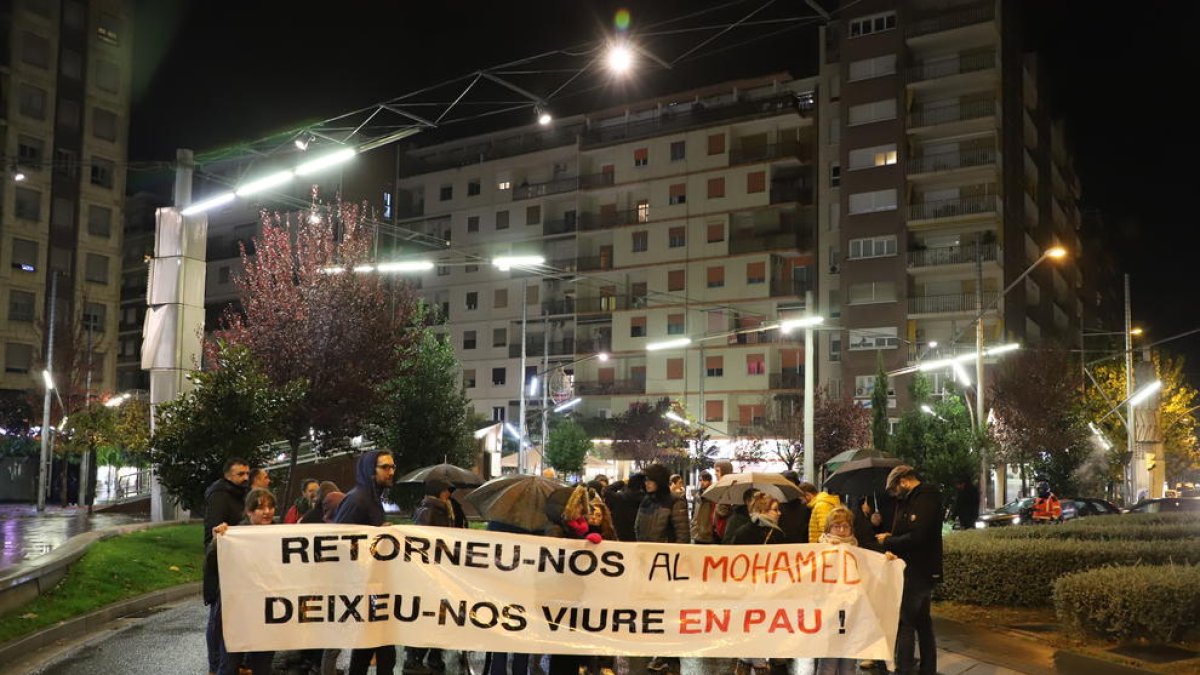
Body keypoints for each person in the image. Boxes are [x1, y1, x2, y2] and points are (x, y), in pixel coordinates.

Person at [335, 450, 399, 675]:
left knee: (376, 649)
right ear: (371, 470)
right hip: (362, 587)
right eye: (385, 467)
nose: (391, 472)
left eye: (393, 466)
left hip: (373, 585)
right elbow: (339, 542)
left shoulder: (371, 498)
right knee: (378, 650)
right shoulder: (357, 500)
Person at [877, 465, 942, 675]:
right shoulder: (915, 499)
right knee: (922, 621)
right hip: (919, 569)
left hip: (917, 570)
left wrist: (889, 541)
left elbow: (918, 536)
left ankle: (904, 668)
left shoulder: (924, 499)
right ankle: (927, 668)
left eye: (895, 489)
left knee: (906, 621)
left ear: (903, 481)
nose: (895, 495)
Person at [206, 487, 277, 675]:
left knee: (262, 666)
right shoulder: (234, 535)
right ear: (248, 511)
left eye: (271, 507)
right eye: (260, 508)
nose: (267, 512)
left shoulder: (281, 534)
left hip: (267, 612)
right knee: (229, 664)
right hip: (238, 611)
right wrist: (217, 542)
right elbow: (212, 565)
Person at [816, 507, 882, 675]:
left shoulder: (857, 550)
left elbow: (871, 571)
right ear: (828, 528)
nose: (841, 530)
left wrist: (887, 562)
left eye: (845, 526)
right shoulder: (819, 549)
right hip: (829, 613)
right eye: (836, 526)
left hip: (852, 612)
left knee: (849, 664)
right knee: (828, 664)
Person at [636, 464, 688, 673]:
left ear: (659, 480)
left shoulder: (675, 502)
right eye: (645, 479)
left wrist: (675, 563)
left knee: (667, 610)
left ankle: (666, 654)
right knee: (652, 608)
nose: (646, 483)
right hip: (648, 564)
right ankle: (657, 649)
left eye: (650, 479)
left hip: (666, 566)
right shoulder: (646, 501)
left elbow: (683, 536)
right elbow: (638, 529)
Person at [405, 479, 457, 673]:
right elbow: (423, 542)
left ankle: (433, 656)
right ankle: (414, 659)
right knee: (427, 616)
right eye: (446, 491)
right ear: (438, 492)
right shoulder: (429, 512)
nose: (448, 494)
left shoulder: (443, 510)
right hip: (430, 574)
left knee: (439, 616)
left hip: (440, 573)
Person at [203, 458, 250, 675]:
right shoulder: (220, 496)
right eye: (240, 474)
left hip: (237, 563)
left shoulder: (239, 495)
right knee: (218, 618)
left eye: (247, 473)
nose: (245, 478)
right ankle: (215, 666)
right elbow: (213, 531)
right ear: (228, 476)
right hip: (221, 563)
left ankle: (232, 663)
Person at [729, 493, 784, 675]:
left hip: (746, 590)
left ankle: (744, 663)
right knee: (760, 627)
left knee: (749, 626)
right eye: (775, 509)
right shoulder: (776, 535)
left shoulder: (742, 531)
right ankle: (758, 664)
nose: (779, 513)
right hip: (767, 590)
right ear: (762, 511)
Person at [605, 473, 645, 543]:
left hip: (619, 536)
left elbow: (607, 490)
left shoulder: (619, 498)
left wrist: (622, 482)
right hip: (640, 538)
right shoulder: (647, 500)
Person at [776, 470, 810, 544]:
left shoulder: (804, 507)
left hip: (798, 546)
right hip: (779, 546)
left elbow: (806, 531)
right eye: (784, 483)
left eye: (790, 483)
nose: (787, 487)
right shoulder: (774, 505)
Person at [689, 471, 717, 543]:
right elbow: (693, 512)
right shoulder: (697, 496)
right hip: (696, 532)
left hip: (708, 534)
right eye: (700, 480)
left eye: (704, 480)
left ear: (710, 481)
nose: (702, 482)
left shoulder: (713, 496)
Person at [711, 460, 735, 542]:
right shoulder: (718, 487)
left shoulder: (731, 488)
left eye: (717, 471)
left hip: (725, 531)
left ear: (725, 472)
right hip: (717, 530)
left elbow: (724, 511)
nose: (715, 473)